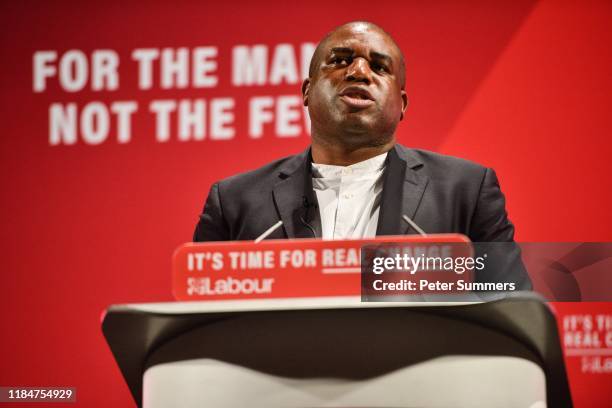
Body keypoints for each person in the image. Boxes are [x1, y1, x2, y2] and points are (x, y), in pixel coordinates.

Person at [193, 21, 531, 290]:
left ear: (402, 105)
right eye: (340, 61)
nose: (358, 71)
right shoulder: (235, 201)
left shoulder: (466, 192)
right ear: (307, 92)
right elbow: (197, 331)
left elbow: (512, 310)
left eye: (379, 67)